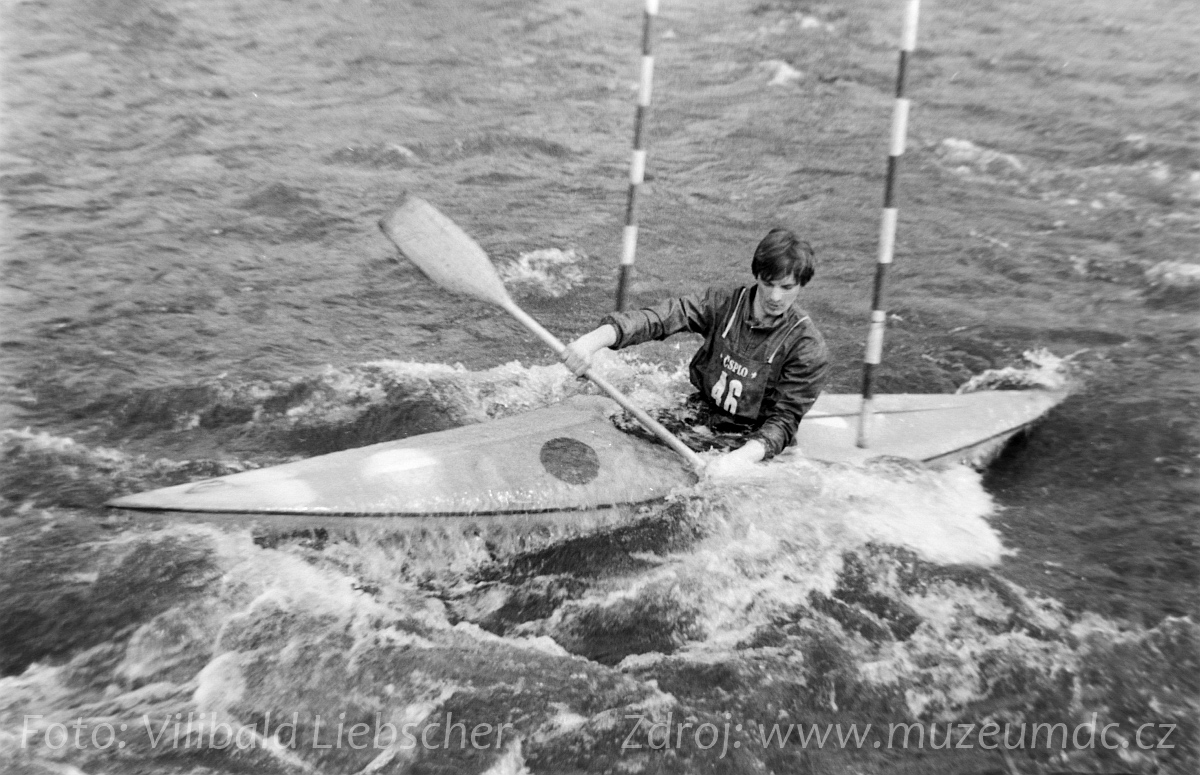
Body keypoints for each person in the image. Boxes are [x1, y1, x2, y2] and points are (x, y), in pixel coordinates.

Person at [561, 228, 829, 476]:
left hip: (752, 440)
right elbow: (663, 317)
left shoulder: (807, 347)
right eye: (769, 283)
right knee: (621, 423)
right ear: (757, 275)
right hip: (703, 412)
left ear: (801, 285)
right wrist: (592, 341)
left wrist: (738, 460)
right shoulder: (722, 304)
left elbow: (783, 421)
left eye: (787, 287)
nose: (775, 297)